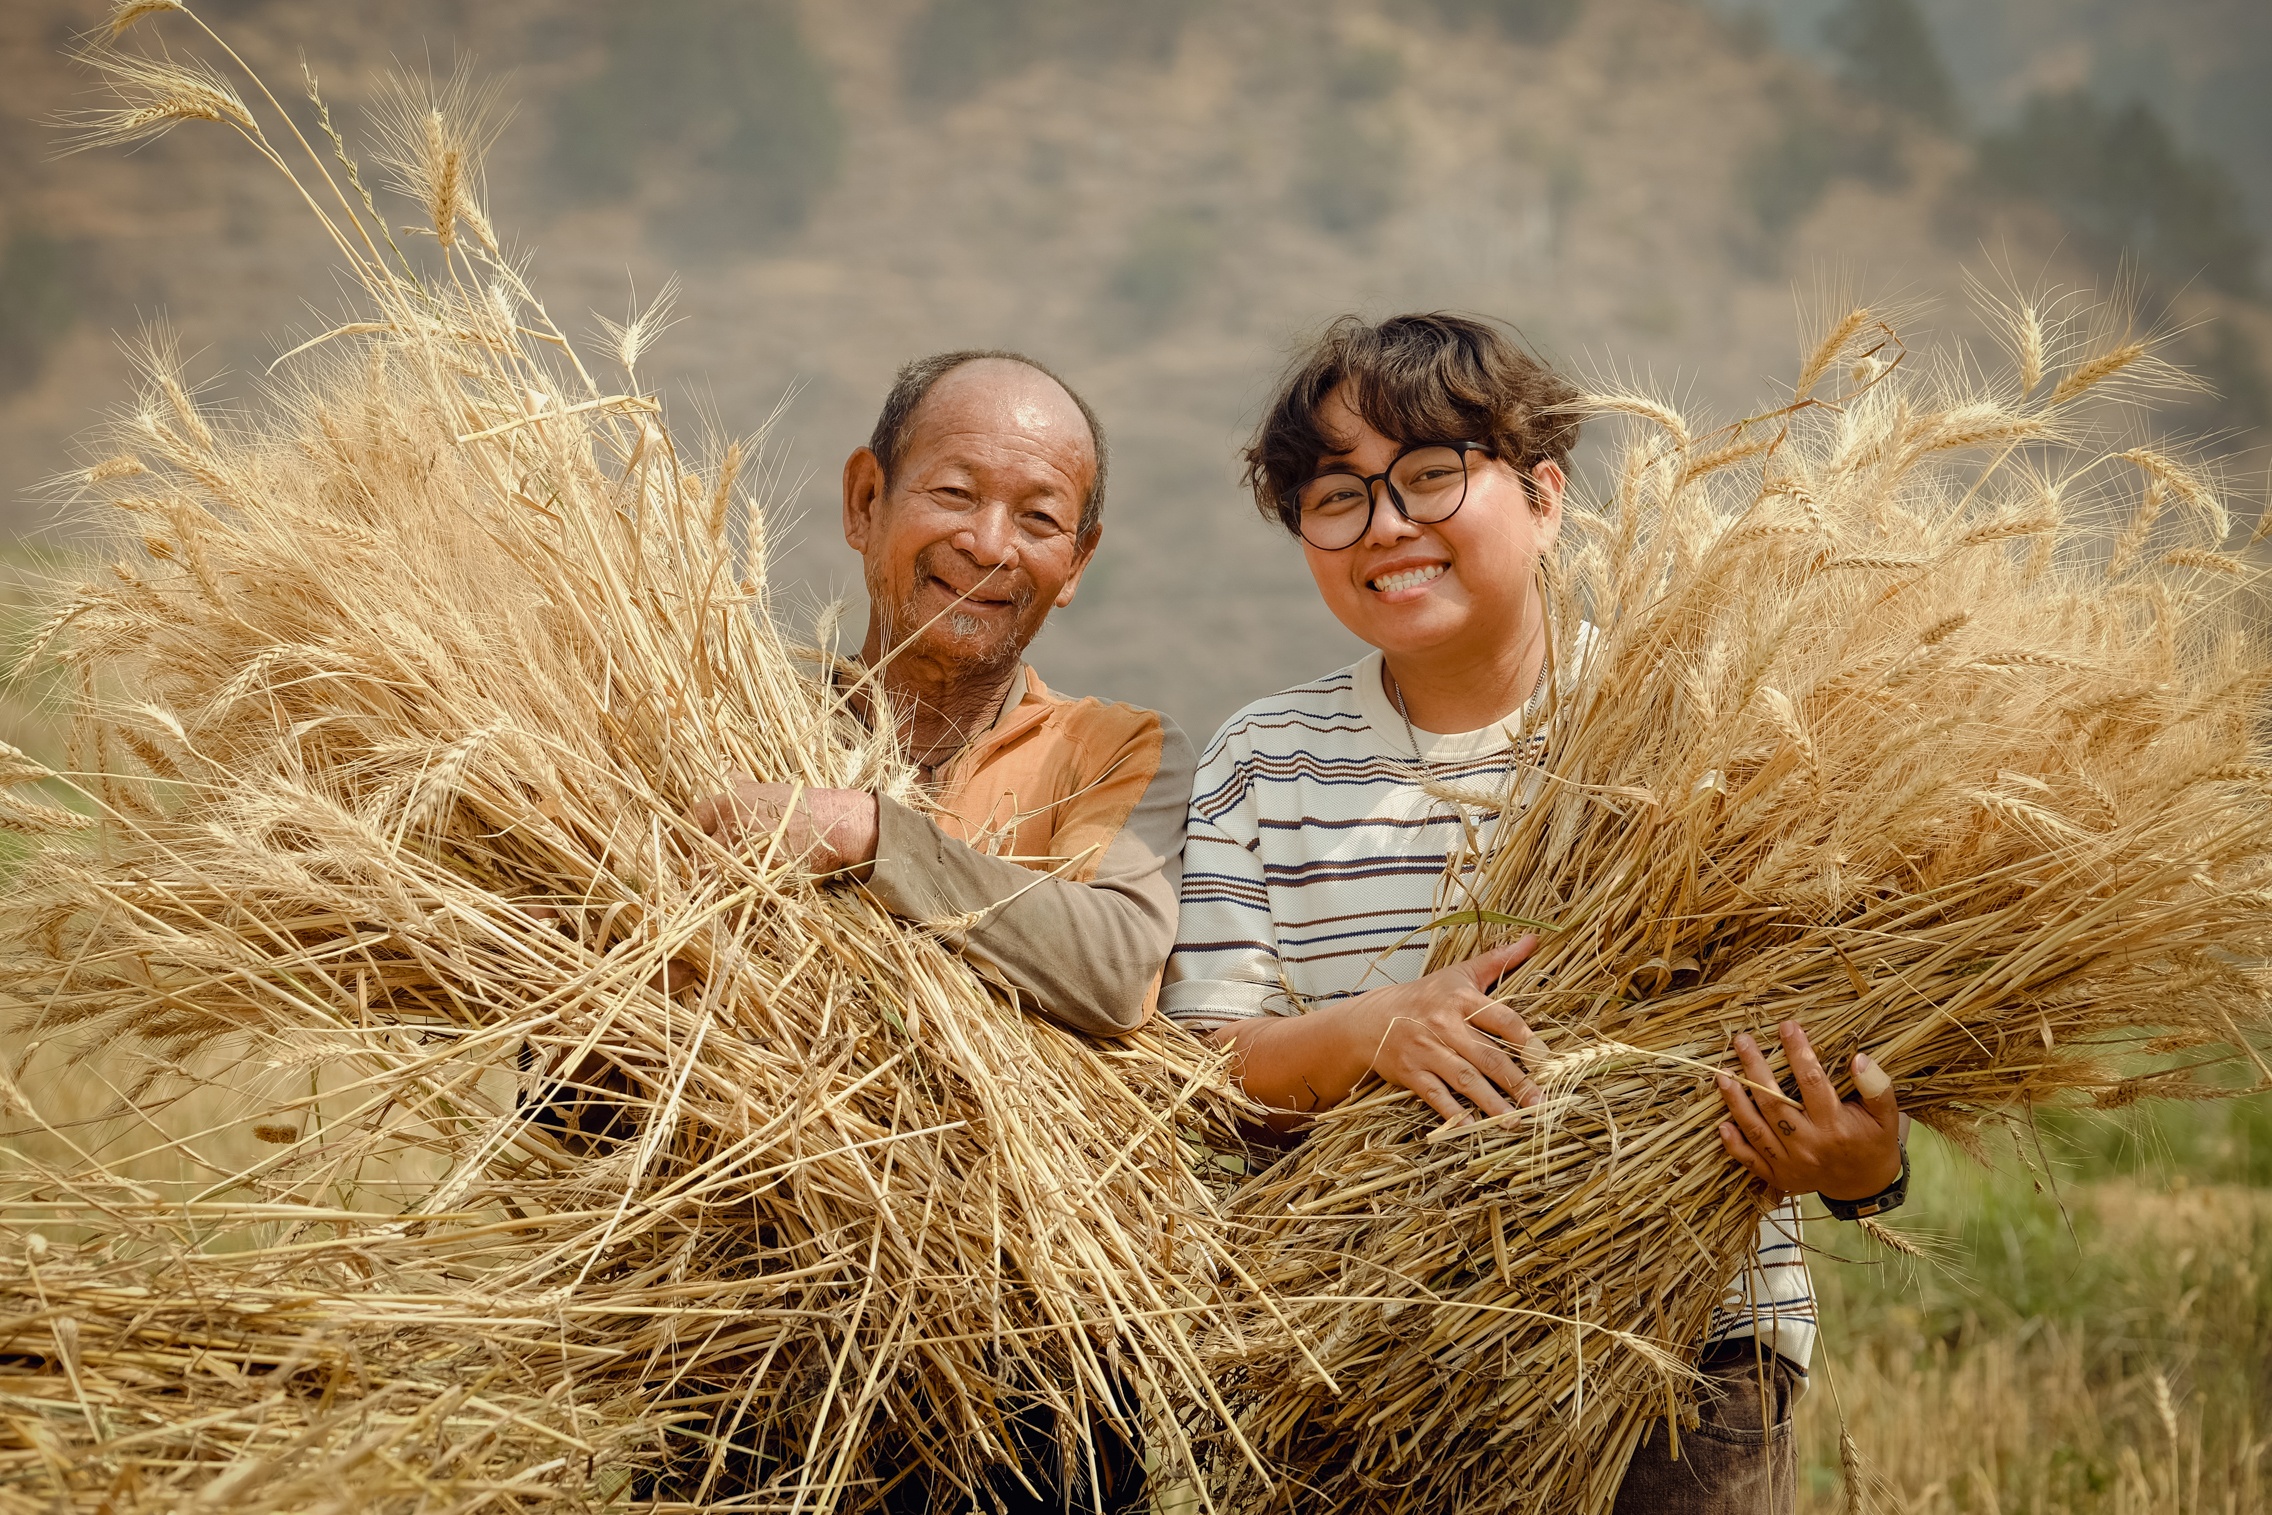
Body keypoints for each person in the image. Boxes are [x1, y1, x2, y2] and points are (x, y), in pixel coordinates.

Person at [1161, 313, 1909, 1513]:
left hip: (1680, 1366)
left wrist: (1863, 1164)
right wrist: (1375, 1033)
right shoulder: (1263, 759)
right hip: (1358, 1367)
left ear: (1544, 497)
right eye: (1336, 496)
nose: (1387, 526)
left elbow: (1852, 1048)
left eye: (1428, 475)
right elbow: (1201, 1077)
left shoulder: (1708, 726)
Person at [698, 349, 1188, 1513]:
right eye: (954, 494)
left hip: (1035, 1380)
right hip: (750, 1362)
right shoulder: (719, 721)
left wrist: (871, 837)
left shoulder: (1115, 750)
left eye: (1038, 517)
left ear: (1077, 564)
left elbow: (1117, 969)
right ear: (867, 502)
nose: (989, 543)